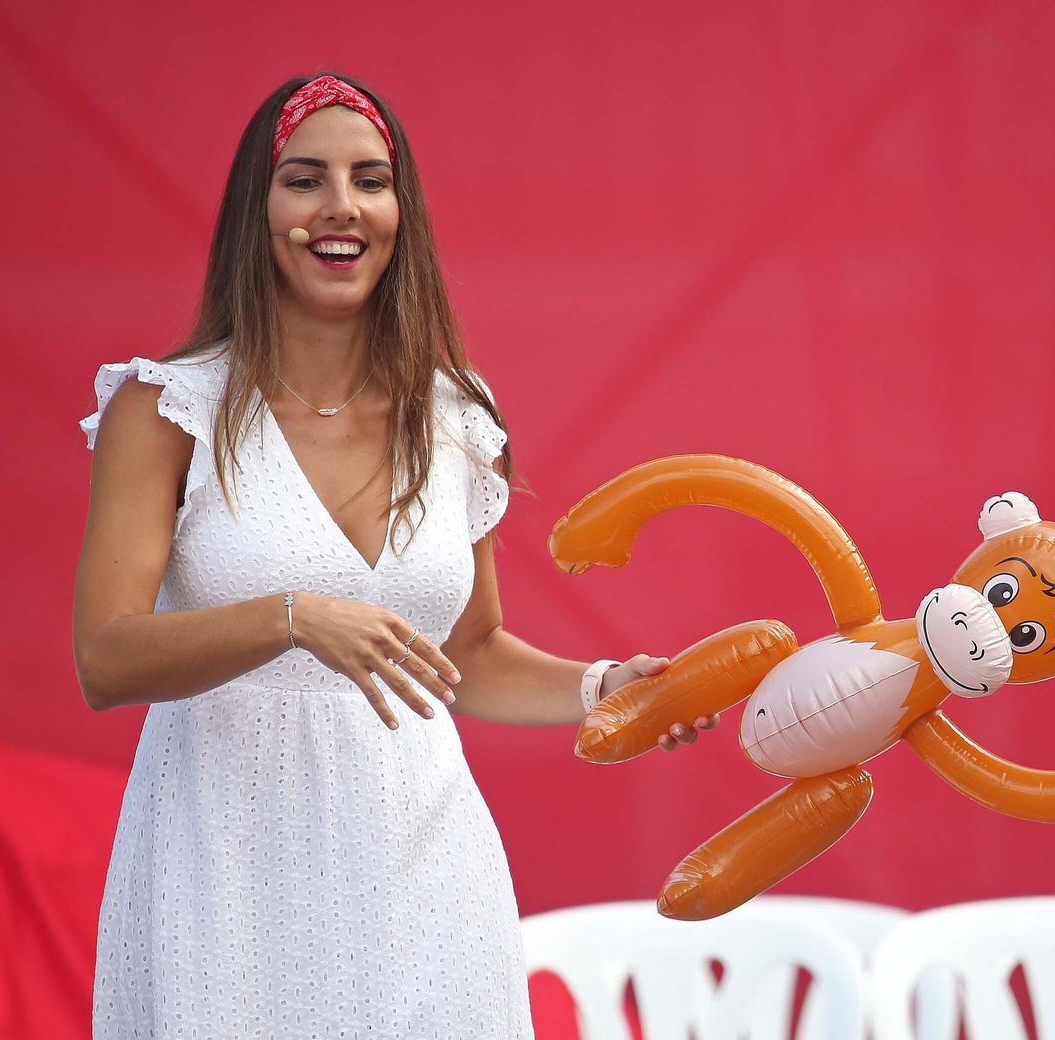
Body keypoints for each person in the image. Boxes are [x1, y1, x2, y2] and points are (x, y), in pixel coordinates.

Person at [72, 73, 716, 1037]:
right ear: (259, 208)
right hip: (224, 870)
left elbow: (470, 656)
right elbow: (104, 658)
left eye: (370, 180)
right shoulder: (164, 409)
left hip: (422, 864)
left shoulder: (459, 419)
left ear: (400, 213)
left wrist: (604, 687)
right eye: (304, 179)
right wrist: (291, 617)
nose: (341, 206)